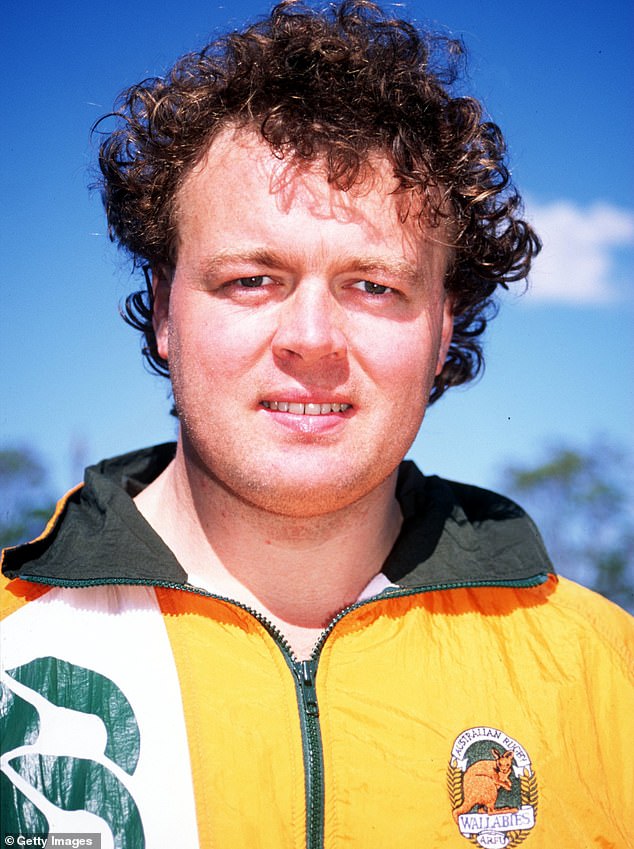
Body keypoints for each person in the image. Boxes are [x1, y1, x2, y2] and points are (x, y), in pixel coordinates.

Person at [1, 2, 632, 847]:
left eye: (374, 285)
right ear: (162, 309)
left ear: (444, 327)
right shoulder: (14, 642)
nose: (310, 340)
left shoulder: (604, 671)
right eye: (253, 279)